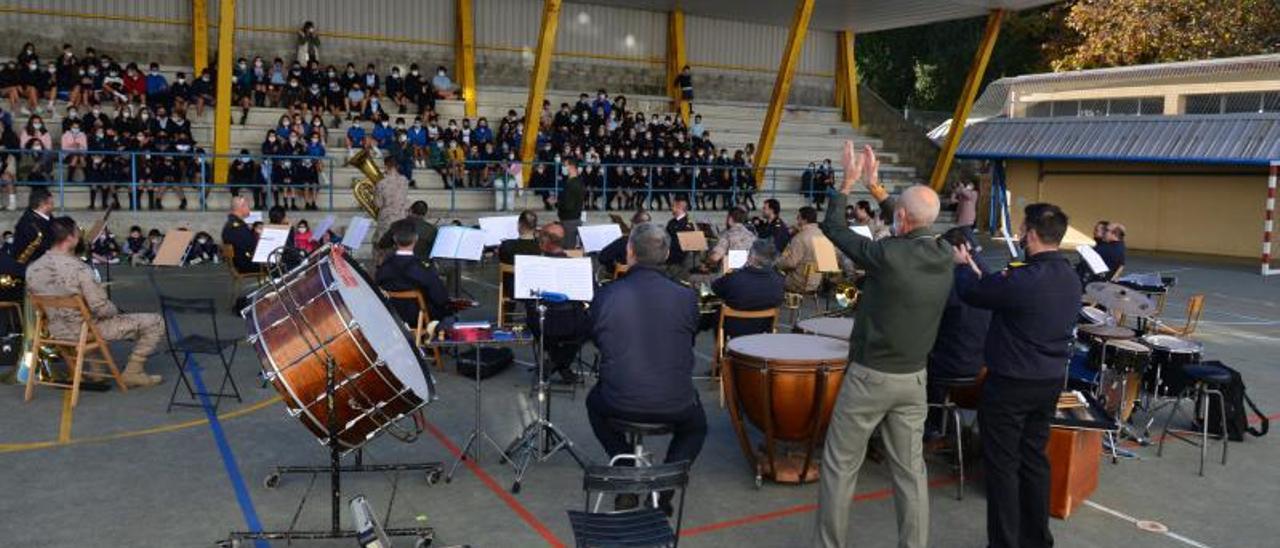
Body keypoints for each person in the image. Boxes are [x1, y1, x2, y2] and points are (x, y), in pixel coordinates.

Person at [812, 142, 954, 548]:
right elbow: (912, 219)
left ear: (903, 218)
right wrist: (876, 189)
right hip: (914, 379)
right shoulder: (945, 253)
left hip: (870, 376)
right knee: (910, 473)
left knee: (841, 466)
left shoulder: (887, 255)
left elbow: (835, 229)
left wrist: (847, 184)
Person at [953, 202, 1081, 548]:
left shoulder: (1025, 277)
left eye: (1024, 229)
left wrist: (963, 267)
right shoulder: (1070, 277)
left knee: (1003, 466)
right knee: (1034, 460)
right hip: (1049, 380)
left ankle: (1005, 542)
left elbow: (974, 293)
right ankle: (1037, 539)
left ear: (1032, 234)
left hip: (1011, 383)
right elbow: (999, 289)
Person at [586, 222, 706, 513]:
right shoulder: (687, 297)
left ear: (629, 252)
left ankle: (627, 467)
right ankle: (665, 483)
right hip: (674, 402)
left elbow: (596, 339)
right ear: (665, 255)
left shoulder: (606, 295)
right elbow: (687, 338)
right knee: (696, 426)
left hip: (619, 401)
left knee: (593, 403)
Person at [27, 217, 165, 387]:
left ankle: (97, 371)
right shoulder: (79, 269)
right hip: (84, 331)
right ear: (70, 238)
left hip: (56, 331)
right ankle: (133, 372)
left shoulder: (32, 268)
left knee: (87, 318)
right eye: (77, 232)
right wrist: (118, 312)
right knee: (155, 322)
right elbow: (101, 308)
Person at [925, 227, 992, 435]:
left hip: (953, 366)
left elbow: (929, 322)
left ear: (960, 249)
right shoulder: (990, 277)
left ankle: (931, 428)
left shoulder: (953, 282)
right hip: (983, 366)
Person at [525, 222, 590, 384]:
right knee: (590, 323)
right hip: (572, 325)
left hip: (541, 324)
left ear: (545, 241)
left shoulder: (531, 266)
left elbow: (521, 295)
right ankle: (561, 364)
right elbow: (591, 295)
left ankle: (554, 363)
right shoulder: (577, 266)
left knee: (533, 315)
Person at [375, 226, 453, 329]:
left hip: (392, 315)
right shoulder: (422, 267)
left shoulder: (384, 266)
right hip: (418, 316)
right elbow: (439, 295)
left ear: (394, 240)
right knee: (449, 315)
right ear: (415, 240)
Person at [711, 238, 785, 338]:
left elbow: (715, 288)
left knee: (715, 312)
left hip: (735, 328)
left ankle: (722, 349)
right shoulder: (779, 280)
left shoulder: (735, 278)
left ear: (752, 257)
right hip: (764, 328)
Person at [372, 155, 411, 267]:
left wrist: (374, 191)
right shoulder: (404, 181)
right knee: (398, 248)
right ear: (397, 166)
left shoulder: (381, 183)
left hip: (386, 220)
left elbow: (378, 204)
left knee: (380, 248)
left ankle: (380, 274)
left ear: (386, 166)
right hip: (401, 219)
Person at [777, 206, 824, 295]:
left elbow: (791, 263)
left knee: (772, 276)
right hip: (816, 282)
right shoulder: (822, 235)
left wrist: (777, 263)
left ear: (804, 220)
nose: (796, 220)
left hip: (799, 282)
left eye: (798, 217)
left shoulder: (800, 238)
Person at [597, 209, 650, 275]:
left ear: (633, 224)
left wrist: (614, 268)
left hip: (626, 278)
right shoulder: (655, 243)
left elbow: (602, 257)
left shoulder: (625, 241)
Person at [704, 206, 755, 271]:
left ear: (730, 219)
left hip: (732, 273)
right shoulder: (751, 235)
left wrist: (706, 262)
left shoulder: (727, 235)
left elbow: (716, 257)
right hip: (749, 272)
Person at [221, 196, 259, 274]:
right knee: (281, 262)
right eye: (248, 206)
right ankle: (278, 284)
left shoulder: (231, 224)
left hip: (239, 262)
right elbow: (252, 245)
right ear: (241, 207)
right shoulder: (238, 227)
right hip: (246, 263)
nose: (249, 209)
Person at [554, 158, 585, 249]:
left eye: (565, 165)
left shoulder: (572, 184)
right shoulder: (577, 182)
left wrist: (558, 202)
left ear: (571, 167)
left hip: (569, 222)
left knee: (568, 249)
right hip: (572, 219)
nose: (563, 168)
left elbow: (569, 205)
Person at [665, 195, 694, 267]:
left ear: (679, 207)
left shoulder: (687, 223)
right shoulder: (671, 222)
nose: (671, 208)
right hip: (670, 253)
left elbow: (687, 244)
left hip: (680, 257)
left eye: (673, 206)